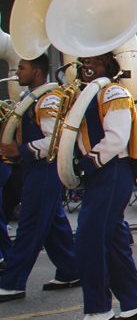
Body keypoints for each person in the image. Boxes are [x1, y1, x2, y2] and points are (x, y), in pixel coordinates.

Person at [68, 51, 137, 320]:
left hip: (111, 170)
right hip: (100, 172)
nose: (87, 66)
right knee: (114, 242)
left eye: (95, 62)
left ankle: (98, 309)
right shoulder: (86, 94)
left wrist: (83, 165)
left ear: (109, 65)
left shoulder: (114, 91)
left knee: (88, 238)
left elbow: (116, 138)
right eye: (85, 62)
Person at [0, 54, 79, 302]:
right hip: (36, 168)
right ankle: (70, 270)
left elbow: (52, 141)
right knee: (53, 224)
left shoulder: (48, 98)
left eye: (21, 68)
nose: (16, 72)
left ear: (36, 72)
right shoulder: (32, 96)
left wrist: (18, 150)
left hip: (45, 168)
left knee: (30, 225)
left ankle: (13, 282)